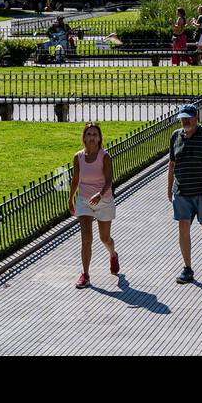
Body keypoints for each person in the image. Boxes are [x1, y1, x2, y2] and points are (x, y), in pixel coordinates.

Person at [167, 104, 202, 284]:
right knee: (183, 226)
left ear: (196, 118)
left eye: (188, 118)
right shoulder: (176, 136)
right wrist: (169, 188)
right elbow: (172, 164)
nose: (185, 121)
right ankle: (187, 268)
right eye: (183, 118)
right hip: (182, 191)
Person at [68, 122, 118, 288]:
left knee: (104, 238)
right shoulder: (78, 157)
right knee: (86, 240)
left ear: (99, 138)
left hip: (103, 200)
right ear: (84, 137)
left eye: (95, 134)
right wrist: (71, 199)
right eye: (89, 134)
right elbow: (76, 180)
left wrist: (100, 194)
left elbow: (109, 179)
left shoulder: (105, 157)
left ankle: (112, 254)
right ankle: (85, 274)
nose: (92, 137)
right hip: (84, 201)